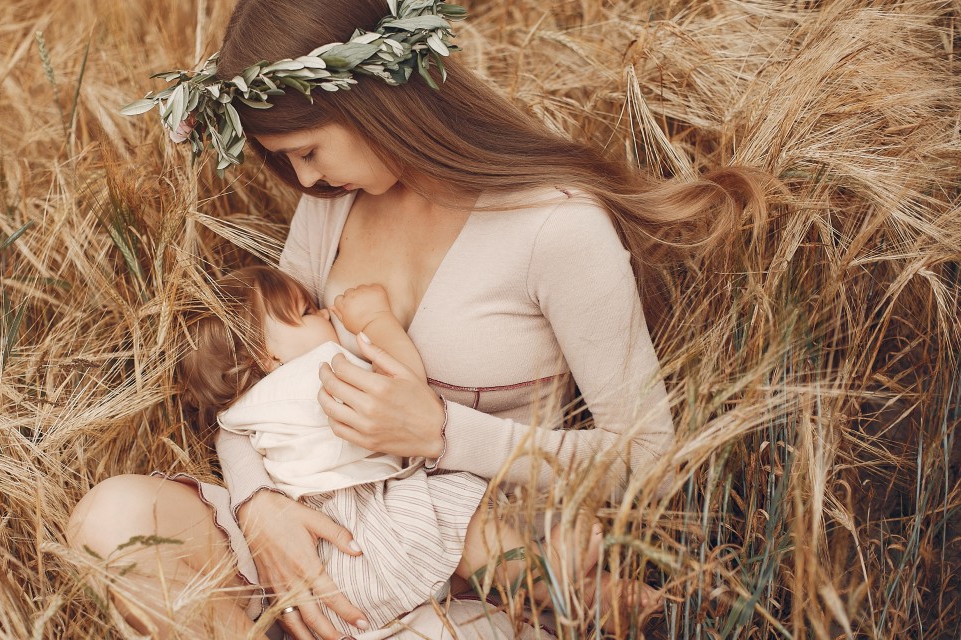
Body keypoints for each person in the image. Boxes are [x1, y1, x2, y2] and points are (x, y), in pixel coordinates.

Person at [68, 0, 767, 638]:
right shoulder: (332, 205)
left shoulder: (555, 227)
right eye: (289, 162)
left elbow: (649, 459)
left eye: (308, 151)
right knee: (113, 522)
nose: (305, 181)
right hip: (328, 524)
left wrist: (442, 433)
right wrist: (258, 505)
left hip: (480, 546)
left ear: (374, 96)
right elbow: (260, 383)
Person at [173, 264, 659, 637]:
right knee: (467, 527)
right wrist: (377, 321)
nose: (321, 312)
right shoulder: (322, 368)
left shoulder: (240, 414)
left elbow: (234, 443)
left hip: (329, 578)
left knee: (461, 555)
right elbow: (405, 384)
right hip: (375, 526)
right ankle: (551, 579)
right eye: (304, 313)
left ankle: (576, 594)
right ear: (267, 357)